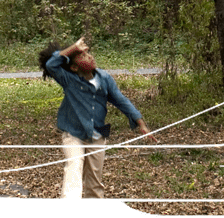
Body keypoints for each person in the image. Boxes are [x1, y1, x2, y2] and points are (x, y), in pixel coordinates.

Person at [37, 38, 150, 199]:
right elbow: (51, 65)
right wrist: (72, 48)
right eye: (82, 56)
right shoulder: (69, 80)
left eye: (88, 53)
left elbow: (121, 100)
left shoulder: (105, 79)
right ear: (75, 67)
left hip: (96, 135)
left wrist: (140, 122)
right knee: (74, 167)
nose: (89, 57)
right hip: (73, 134)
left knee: (95, 183)